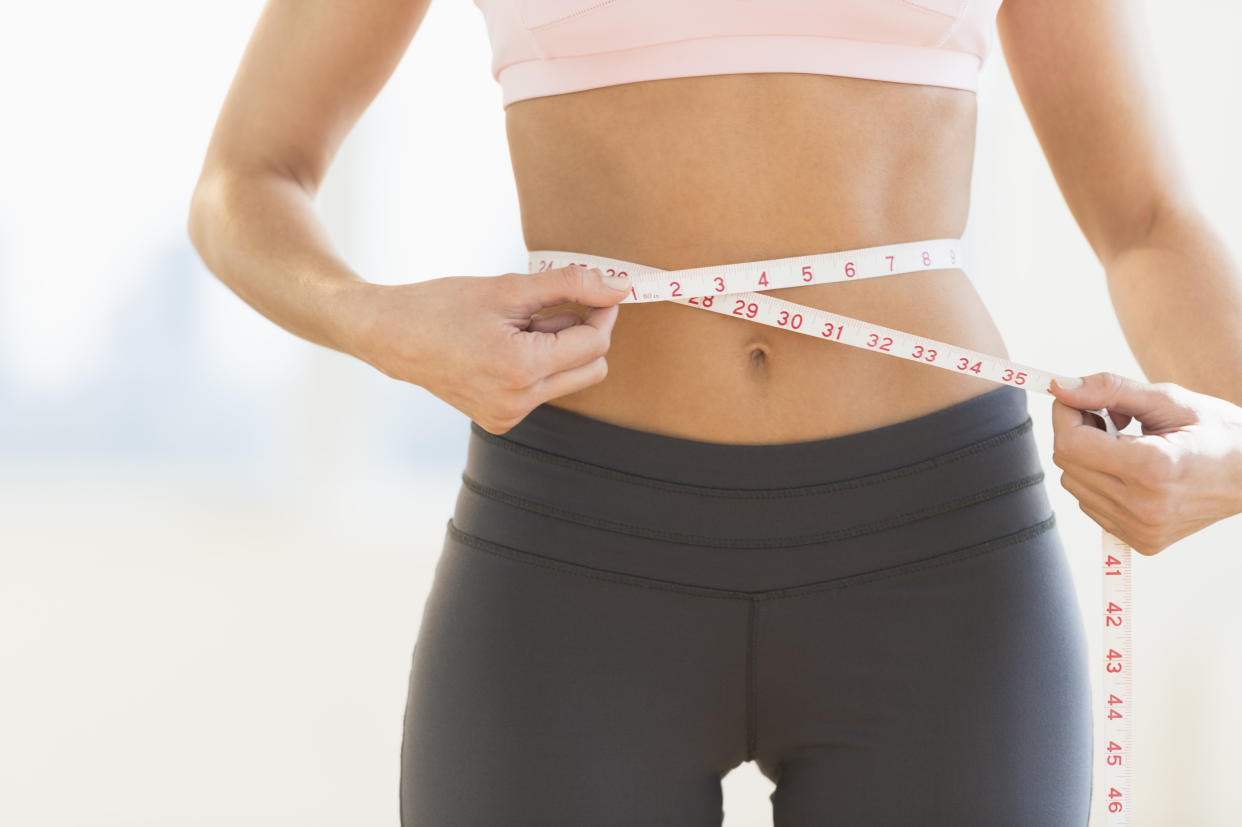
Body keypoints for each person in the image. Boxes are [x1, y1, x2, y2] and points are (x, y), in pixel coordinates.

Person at [186, 0, 1242, 823]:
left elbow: (1147, 218)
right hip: (573, 539)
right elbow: (246, 180)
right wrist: (380, 322)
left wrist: (1235, 446)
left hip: (937, 550)